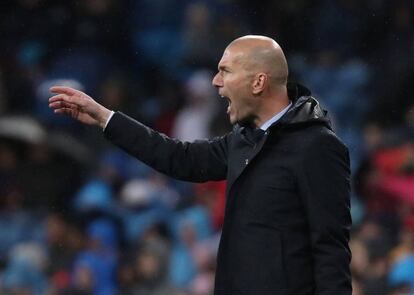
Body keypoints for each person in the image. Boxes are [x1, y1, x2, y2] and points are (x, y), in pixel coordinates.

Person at [49, 35, 352, 295]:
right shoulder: (243, 141)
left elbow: (330, 248)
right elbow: (179, 158)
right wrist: (105, 118)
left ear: (258, 81)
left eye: (225, 71)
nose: (215, 82)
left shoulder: (317, 146)